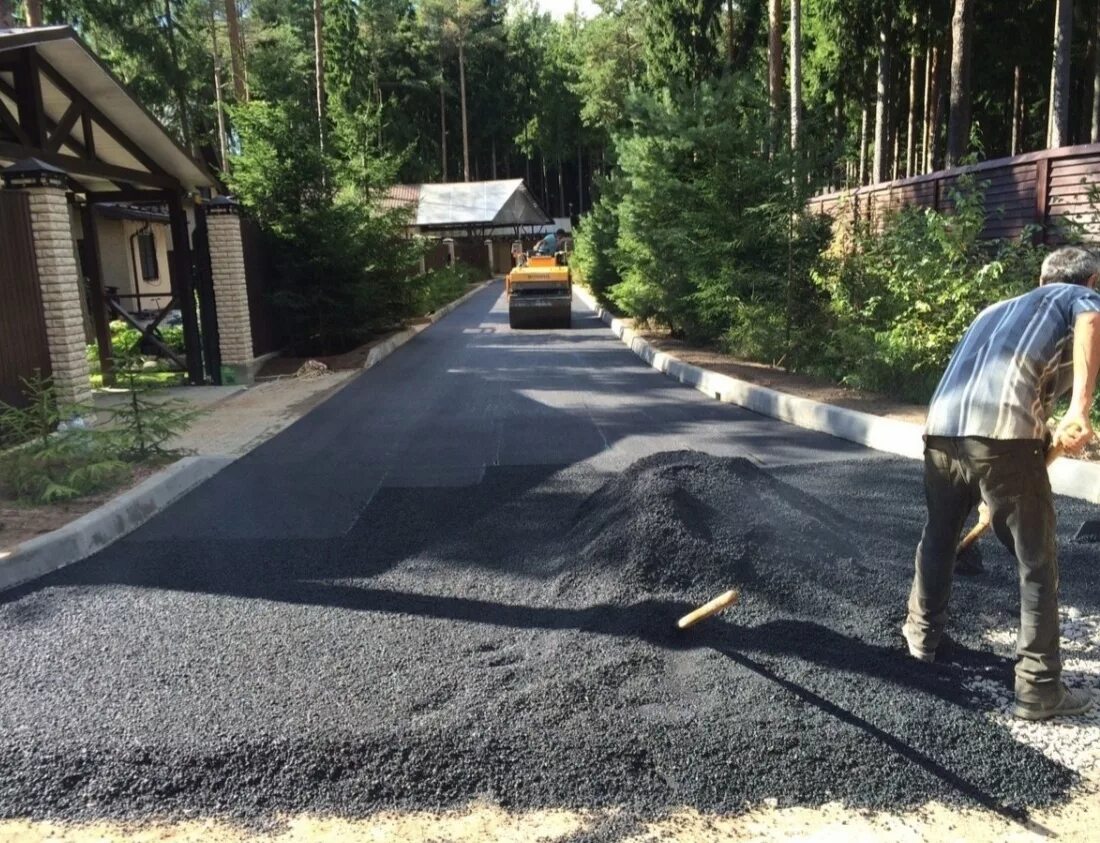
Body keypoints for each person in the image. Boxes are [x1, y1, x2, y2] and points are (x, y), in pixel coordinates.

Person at [902, 245, 1100, 721]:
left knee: (940, 537)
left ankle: (920, 643)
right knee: (1036, 561)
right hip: (1004, 441)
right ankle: (1037, 687)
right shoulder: (1081, 298)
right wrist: (1079, 411)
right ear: (1090, 282)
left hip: (941, 432)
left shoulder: (999, 310)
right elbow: (1092, 324)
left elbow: (1001, 383)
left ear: (1041, 277)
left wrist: (1048, 435)